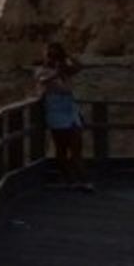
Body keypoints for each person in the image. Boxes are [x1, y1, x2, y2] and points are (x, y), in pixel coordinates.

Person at [35, 42, 92, 191]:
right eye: (50, 54)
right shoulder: (42, 71)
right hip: (56, 111)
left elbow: (80, 67)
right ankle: (70, 179)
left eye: (55, 54)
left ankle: (84, 180)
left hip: (70, 110)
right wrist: (56, 73)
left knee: (76, 147)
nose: (53, 58)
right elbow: (42, 81)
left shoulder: (64, 70)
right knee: (61, 148)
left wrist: (67, 56)